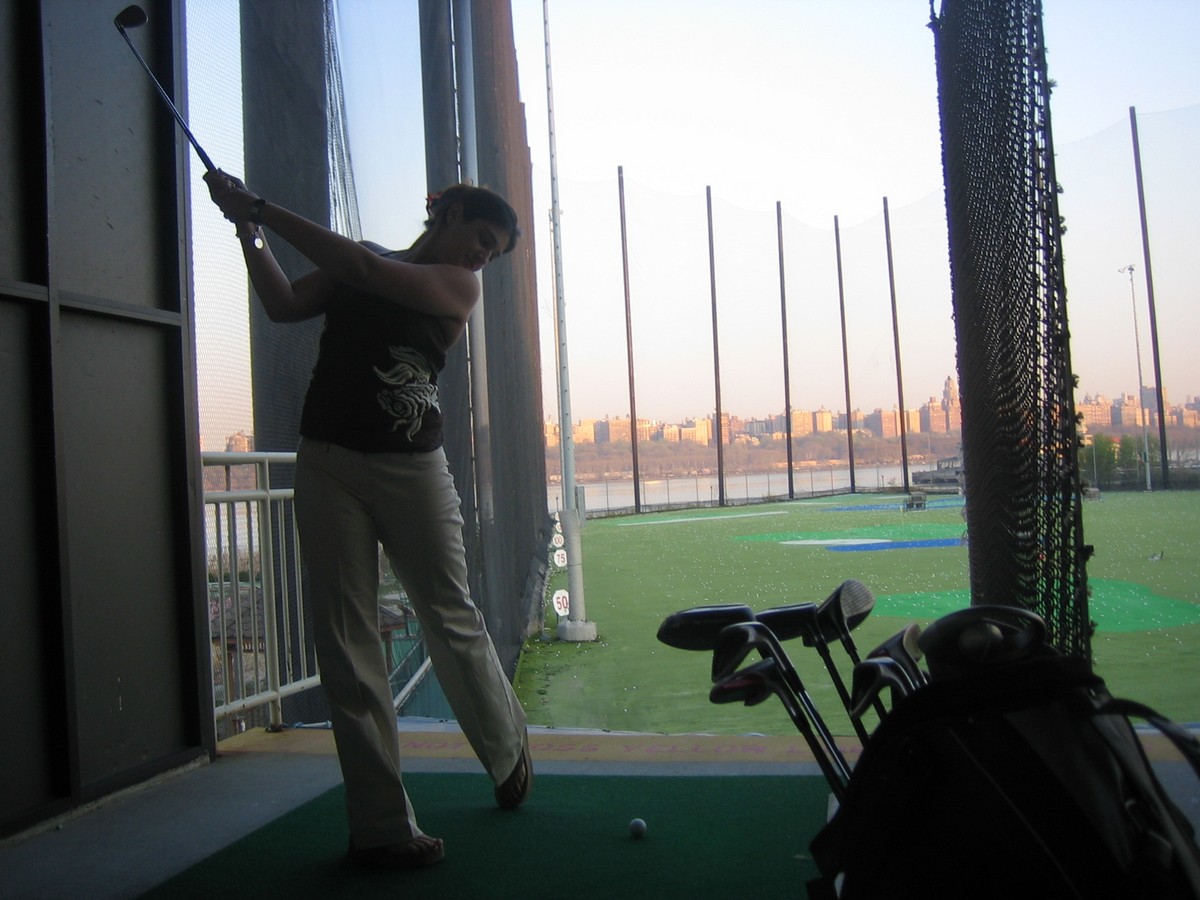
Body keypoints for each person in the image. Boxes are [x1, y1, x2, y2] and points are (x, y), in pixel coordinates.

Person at [205, 170, 532, 870]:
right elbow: (284, 304)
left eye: (493, 252)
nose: (482, 257)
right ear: (449, 215)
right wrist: (248, 231)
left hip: (412, 469)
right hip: (326, 461)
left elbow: (362, 270)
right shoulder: (366, 258)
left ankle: (507, 752)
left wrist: (261, 205)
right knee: (345, 638)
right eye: (481, 238)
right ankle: (381, 826)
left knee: (448, 613)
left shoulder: (457, 287)